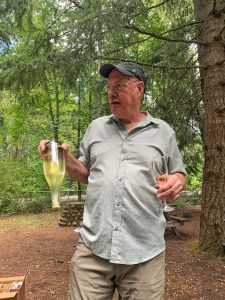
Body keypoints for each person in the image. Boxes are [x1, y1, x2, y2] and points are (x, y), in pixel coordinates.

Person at [38, 61, 186, 300]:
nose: (111, 92)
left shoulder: (163, 131)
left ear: (139, 89)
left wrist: (177, 180)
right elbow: (85, 174)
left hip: (144, 253)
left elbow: (179, 172)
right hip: (93, 250)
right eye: (108, 87)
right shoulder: (96, 127)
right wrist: (64, 158)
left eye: (119, 85)